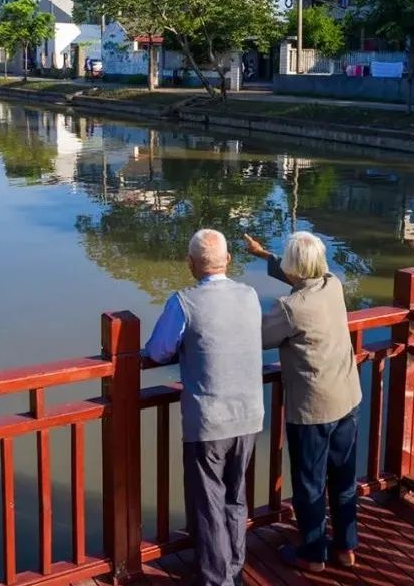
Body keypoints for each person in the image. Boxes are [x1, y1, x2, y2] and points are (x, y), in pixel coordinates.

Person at [143, 229, 264, 586]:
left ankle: (217, 579)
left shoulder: (184, 302)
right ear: (228, 260)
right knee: (235, 495)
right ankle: (234, 568)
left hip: (209, 419)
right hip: (249, 414)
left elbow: (157, 351)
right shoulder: (249, 295)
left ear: (191, 263)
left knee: (209, 502)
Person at [245, 231, 361, 572]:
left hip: (313, 409)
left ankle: (312, 554)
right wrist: (263, 254)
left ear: (294, 267)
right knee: (343, 479)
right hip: (347, 398)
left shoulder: (290, 308)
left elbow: (259, 336)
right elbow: (300, 275)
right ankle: (345, 548)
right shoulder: (333, 284)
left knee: (310, 482)